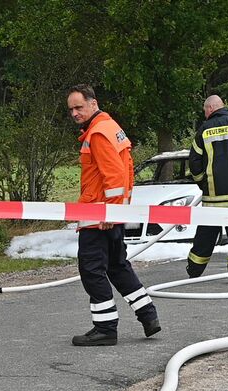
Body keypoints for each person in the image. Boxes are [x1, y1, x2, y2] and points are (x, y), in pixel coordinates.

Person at [67, 84, 160, 346]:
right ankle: (148, 316)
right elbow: (126, 173)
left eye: (79, 107)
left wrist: (110, 208)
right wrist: (119, 208)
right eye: (71, 109)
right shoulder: (111, 128)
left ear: (93, 103)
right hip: (112, 213)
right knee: (117, 267)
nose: (74, 113)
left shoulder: (97, 133)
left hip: (100, 216)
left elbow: (115, 177)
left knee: (92, 270)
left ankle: (105, 328)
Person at [186, 95, 228, 284]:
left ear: (209, 108)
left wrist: (203, 183)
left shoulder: (203, 131)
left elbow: (194, 162)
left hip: (214, 198)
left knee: (206, 234)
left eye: (204, 110)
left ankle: (194, 268)